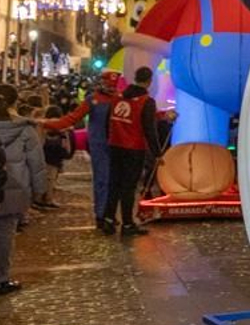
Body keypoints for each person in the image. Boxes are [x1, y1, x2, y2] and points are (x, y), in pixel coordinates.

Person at [0, 85, 47, 295]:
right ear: (15, 102)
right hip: (14, 188)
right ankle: (1, 278)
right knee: (5, 236)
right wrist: (40, 190)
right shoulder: (25, 129)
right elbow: (36, 162)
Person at [41, 70, 121, 224]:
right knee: (104, 179)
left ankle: (106, 213)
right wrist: (48, 124)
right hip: (103, 144)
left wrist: (46, 124)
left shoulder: (108, 99)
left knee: (110, 180)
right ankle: (103, 213)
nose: (109, 87)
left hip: (111, 144)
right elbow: (72, 118)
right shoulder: (97, 99)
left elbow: (71, 119)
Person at [104, 67, 160, 236]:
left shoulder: (117, 98)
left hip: (115, 145)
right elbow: (149, 129)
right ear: (149, 81)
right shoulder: (146, 101)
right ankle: (127, 223)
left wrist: (111, 140)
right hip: (134, 148)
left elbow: (108, 123)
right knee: (128, 187)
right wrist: (157, 153)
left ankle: (108, 219)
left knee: (114, 183)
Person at [40, 106, 74, 208]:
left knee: (47, 177)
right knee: (51, 178)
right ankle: (48, 199)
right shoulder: (60, 123)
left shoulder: (44, 122)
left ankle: (43, 198)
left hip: (46, 153)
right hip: (56, 153)